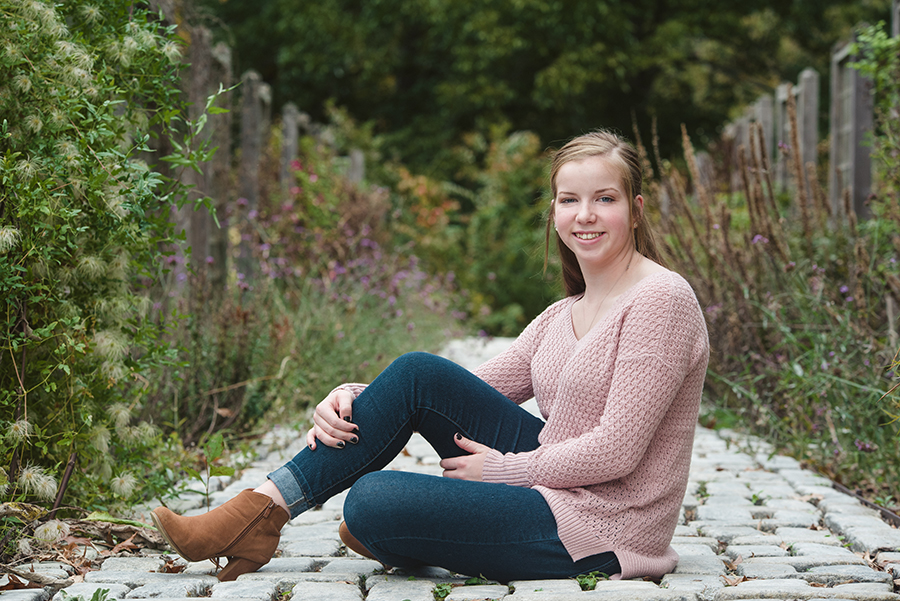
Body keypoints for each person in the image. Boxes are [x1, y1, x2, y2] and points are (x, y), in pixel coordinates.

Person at [150, 130, 709, 584]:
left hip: (602, 526)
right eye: (570, 200)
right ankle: (258, 512)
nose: (585, 214)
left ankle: (403, 530)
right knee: (418, 372)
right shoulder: (563, 313)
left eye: (604, 199)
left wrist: (506, 471)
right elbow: (450, 390)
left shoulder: (661, 299)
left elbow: (618, 450)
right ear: (555, 211)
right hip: (556, 487)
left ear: (635, 210)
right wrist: (355, 397)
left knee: (371, 502)